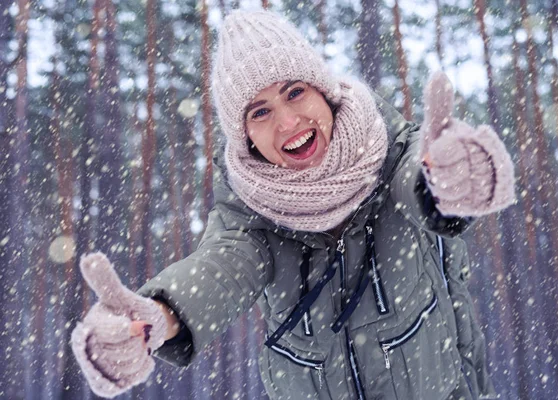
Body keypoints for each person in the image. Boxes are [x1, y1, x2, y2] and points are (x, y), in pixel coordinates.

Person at [70, 10, 514, 400]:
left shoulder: (393, 152)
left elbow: (422, 178)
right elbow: (219, 270)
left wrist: (456, 176)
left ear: (324, 92)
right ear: (246, 138)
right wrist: (158, 320)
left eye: (295, 92)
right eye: (259, 112)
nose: (287, 122)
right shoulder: (248, 212)